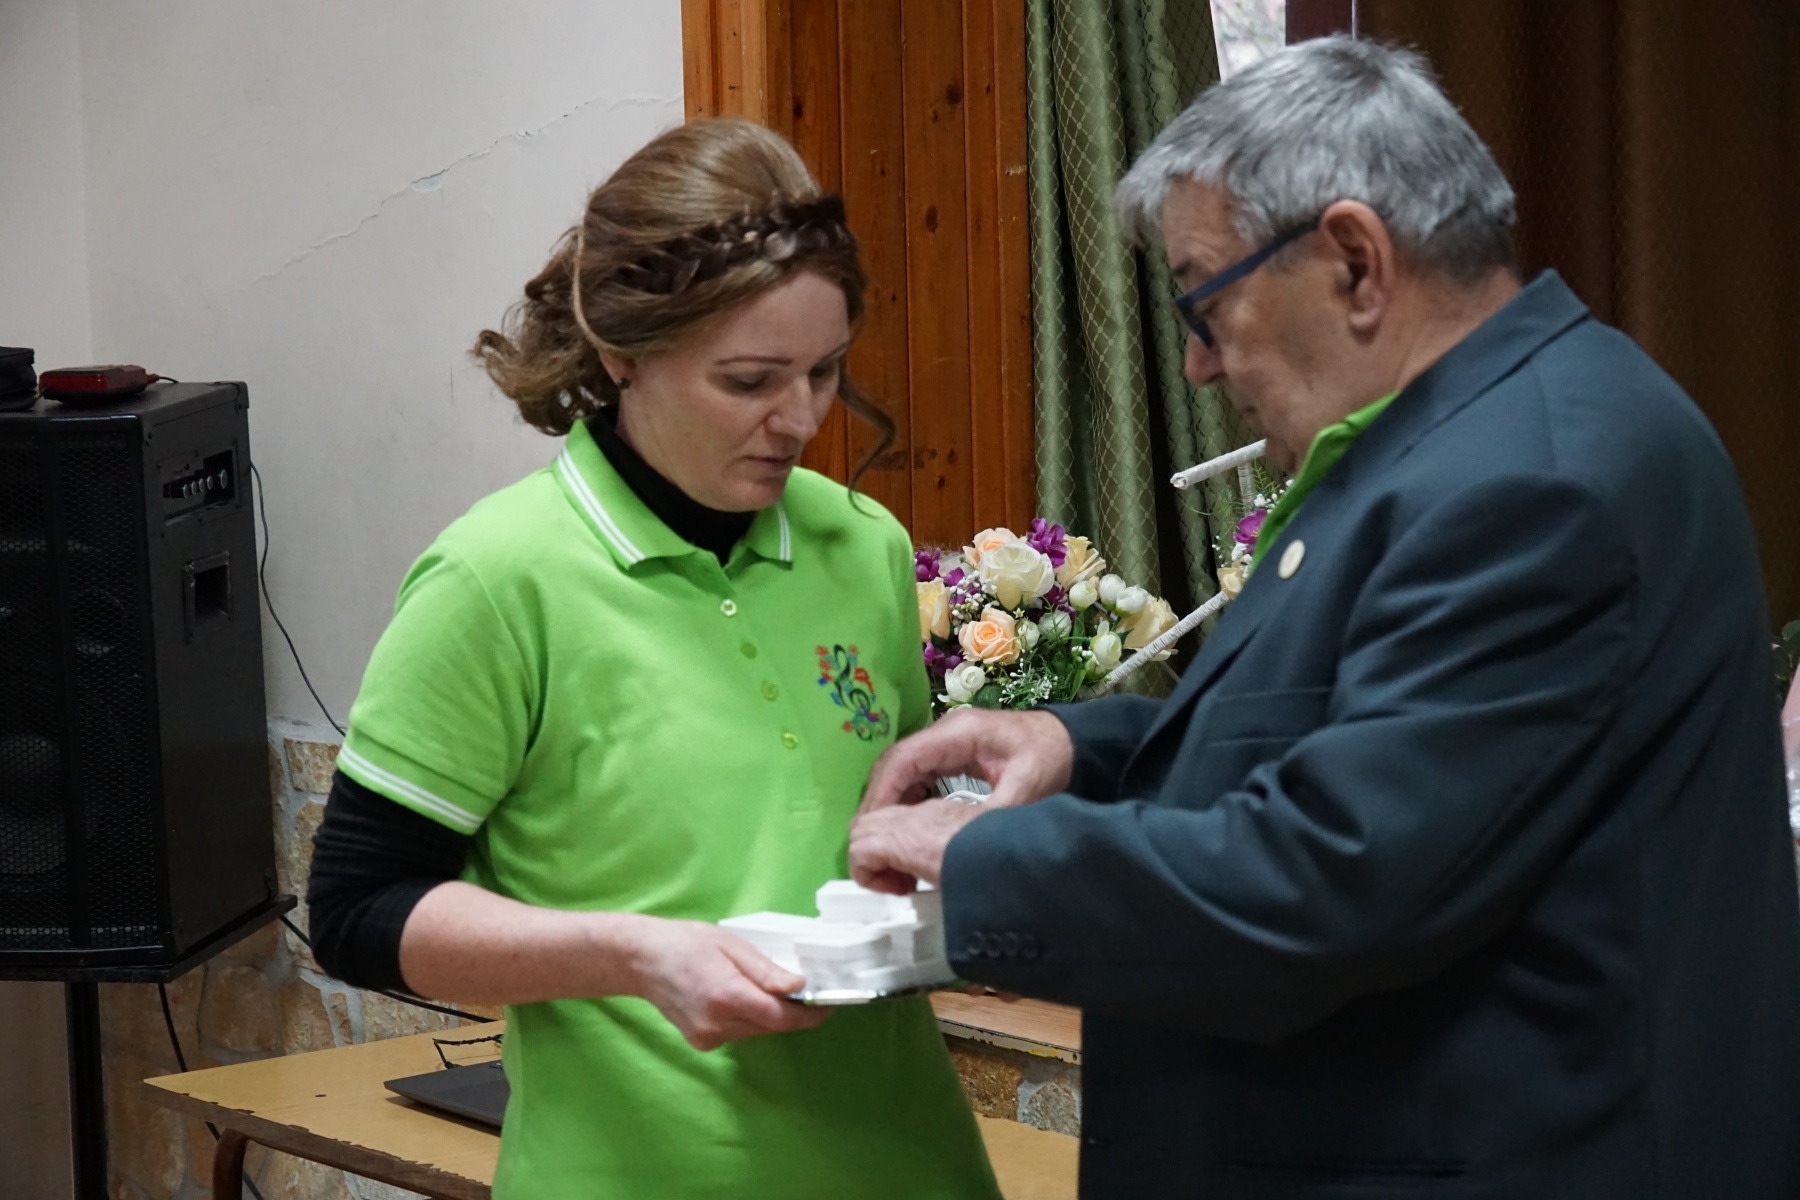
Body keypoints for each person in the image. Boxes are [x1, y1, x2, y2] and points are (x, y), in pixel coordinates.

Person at [849, 36, 1800, 1199]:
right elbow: (1340, 739)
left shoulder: (1529, 485)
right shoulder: (1476, 436)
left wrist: (981, 859)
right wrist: (1075, 749)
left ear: (1355, 262)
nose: (1197, 366)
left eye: (1207, 301)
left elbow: (1325, 877)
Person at [304, 119, 1000, 1200]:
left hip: (913, 1168)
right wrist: (635, 954)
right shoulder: (498, 580)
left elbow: (889, 833)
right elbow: (357, 912)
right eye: (750, 380)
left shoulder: (862, 544)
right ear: (622, 350)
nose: (800, 418)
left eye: (824, 371)